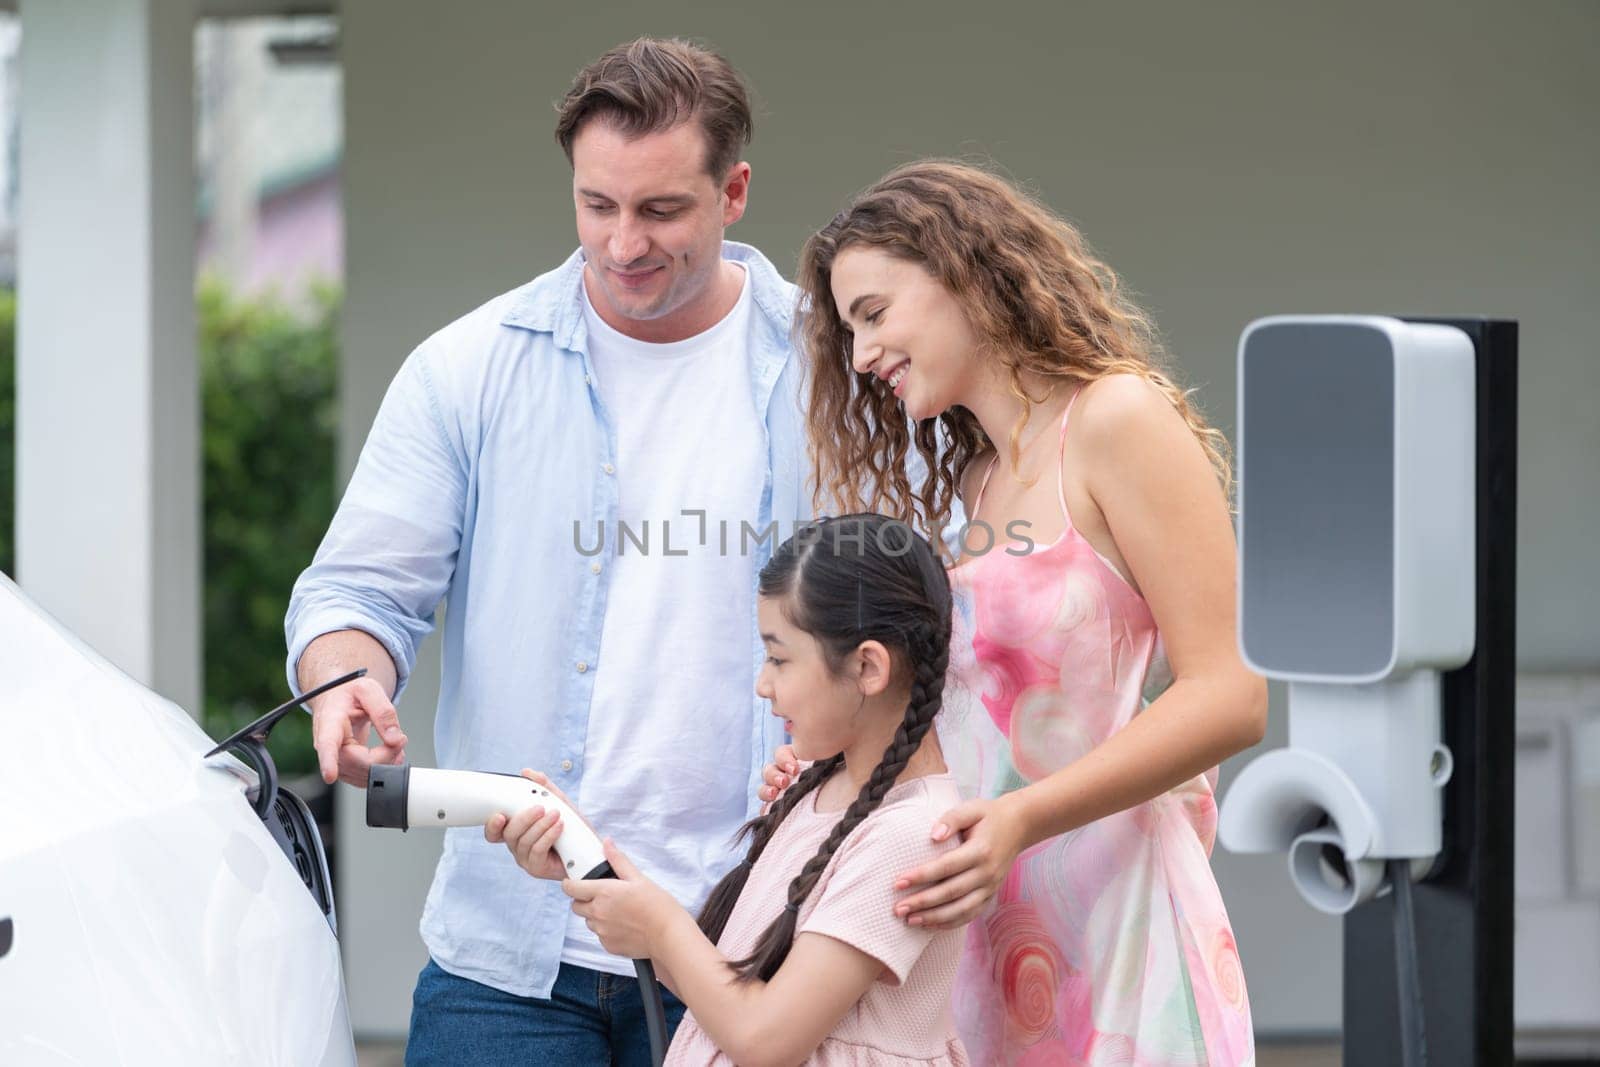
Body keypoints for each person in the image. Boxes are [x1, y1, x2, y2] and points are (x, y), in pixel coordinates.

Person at [285, 37, 812, 1064]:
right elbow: (357, 588)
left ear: (734, 189)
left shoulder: (833, 369)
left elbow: (926, 613)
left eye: (661, 210)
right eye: (596, 205)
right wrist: (342, 676)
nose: (622, 244)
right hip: (513, 964)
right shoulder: (468, 367)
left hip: (758, 946)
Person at [762, 160, 1268, 1064]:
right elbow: (977, 726)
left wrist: (1024, 820)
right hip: (986, 929)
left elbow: (1231, 695)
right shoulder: (974, 481)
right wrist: (831, 766)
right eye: (849, 331)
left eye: (874, 313)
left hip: (1115, 928)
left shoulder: (1117, 420)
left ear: (963, 270)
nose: (865, 353)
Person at [498, 516, 970, 1065]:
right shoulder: (817, 792)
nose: (763, 684)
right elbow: (724, 996)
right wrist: (590, 866)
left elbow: (765, 1039)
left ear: (868, 666)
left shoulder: (909, 836)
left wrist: (662, 926)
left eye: (779, 658)